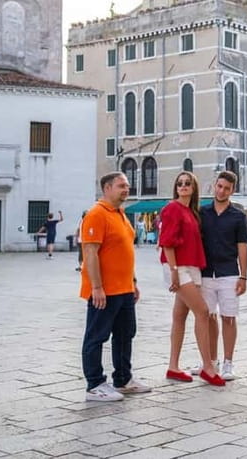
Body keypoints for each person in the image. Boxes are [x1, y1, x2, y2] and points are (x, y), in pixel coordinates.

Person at [80, 172, 150, 401]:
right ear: (107, 188)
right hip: (105, 290)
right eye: (121, 186)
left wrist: (134, 282)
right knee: (96, 336)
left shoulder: (121, 214)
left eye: (127, 185)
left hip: (125, 289)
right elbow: (90, 253)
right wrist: (97, 287)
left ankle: (123, 379)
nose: (126, 189)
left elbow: (125, 252)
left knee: (125, 334)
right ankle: (95, 384)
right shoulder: (96, 214)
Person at [160, 171, 225, 386]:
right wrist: (173, 271)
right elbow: (167, 242)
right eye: (179, 183)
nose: (183, 186)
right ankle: (208, 366)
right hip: (179, 267)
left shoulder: (192, 212)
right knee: (203, 311)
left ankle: (173, 366)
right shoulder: (172, 208)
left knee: (179, 316)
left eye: (187, 183)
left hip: (193, 266)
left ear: (194, 187)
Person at [199, 171, 247, 381]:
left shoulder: (238, 216)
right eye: (219, 186)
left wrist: (244, 276)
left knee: (228, 317)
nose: (221, 191)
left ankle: (228, 362)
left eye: (226, 188)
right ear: (214, 186)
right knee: (208, 317)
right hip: (205, 272)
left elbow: (242, 247)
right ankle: (211, 361)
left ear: (232, 191)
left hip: (229, 272)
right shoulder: (201, 212)